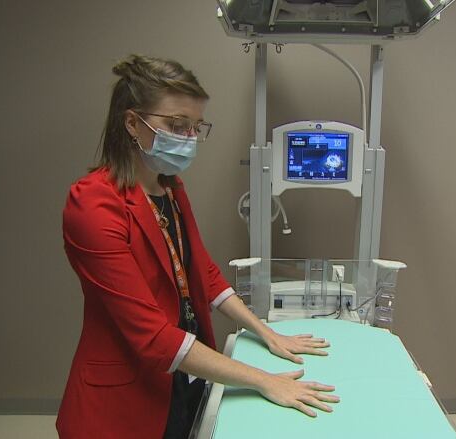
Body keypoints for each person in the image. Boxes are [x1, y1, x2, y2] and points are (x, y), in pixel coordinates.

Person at [56, 54, 339, 439]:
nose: (188, 139)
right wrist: (264, 380)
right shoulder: (93, 205)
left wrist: (265, 331)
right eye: (176, 126)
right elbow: (153, 336)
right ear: (131, 123)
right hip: (125, 398)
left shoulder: (168, 186)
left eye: (194, 128)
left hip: (183, 377)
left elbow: (201, 271)